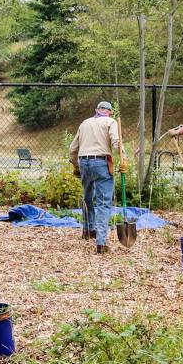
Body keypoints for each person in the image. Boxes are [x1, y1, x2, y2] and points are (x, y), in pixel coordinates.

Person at [69, 100, 122, 254]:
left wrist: (76, 165)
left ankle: (88, 229)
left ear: (96, 110)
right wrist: (122, 157)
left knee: (87, 197)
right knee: (104, 202)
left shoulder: (84, 123)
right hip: (101, 163)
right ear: (110, 112)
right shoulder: (110, 122)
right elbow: (116, 143)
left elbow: (73, 148)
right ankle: (101, 242)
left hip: (84, 161)